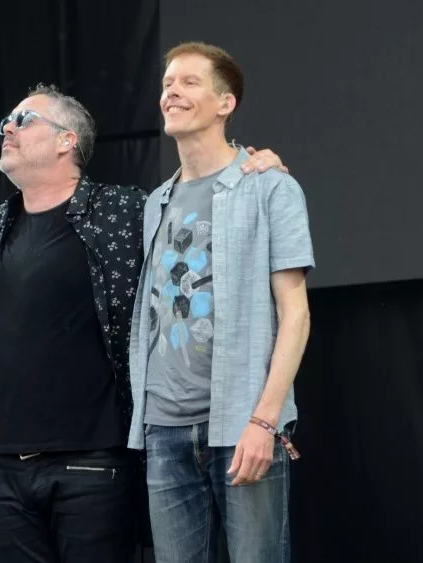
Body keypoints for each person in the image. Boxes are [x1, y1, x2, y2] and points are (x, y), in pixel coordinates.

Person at [0, 84, 287, 562]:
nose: (8, 127)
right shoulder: (1, 222)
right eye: (6, 120)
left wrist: (256, 166)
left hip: (91, 458)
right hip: (7, 462)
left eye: (24, 119)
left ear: (67, 141)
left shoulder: (122, 210)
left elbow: (198, 202)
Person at [127, 42, 314, 563]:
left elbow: (295, 314)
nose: (172, 92)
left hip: (241, 423)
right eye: (167, 83)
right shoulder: (155, 203)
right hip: (163, 428)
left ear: (225, 103)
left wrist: (265, 422)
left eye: (188, 82)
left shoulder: (269, 186)